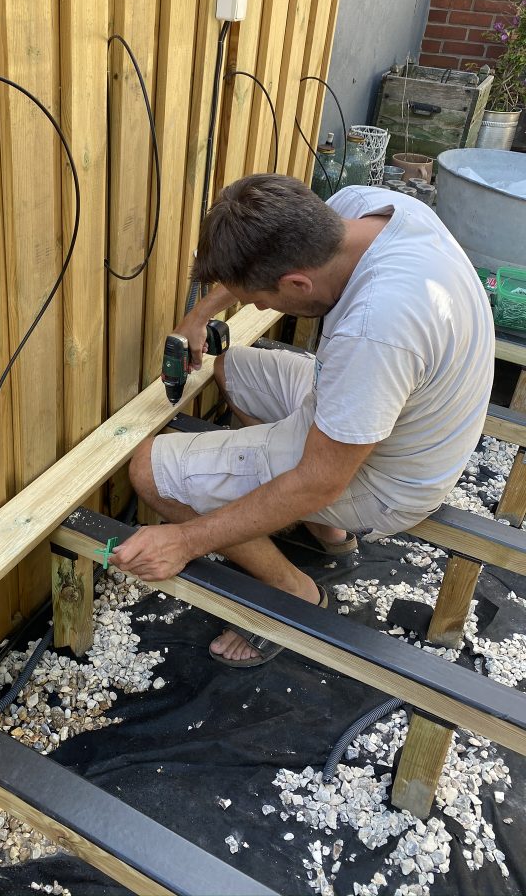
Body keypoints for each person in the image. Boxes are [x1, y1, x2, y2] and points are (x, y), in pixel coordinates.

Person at [110, 173, 494, 666]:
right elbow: (266, 266)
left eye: (261, 301)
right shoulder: (366, 211)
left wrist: (182, 541)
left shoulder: (376, 329)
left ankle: (295, 595)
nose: (256, 306)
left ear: (297, 283)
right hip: (392, 416)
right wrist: (201, 315)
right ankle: (329, 535)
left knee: (148, 470)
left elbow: (319, 481)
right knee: (235, 368)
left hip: (389, 478)